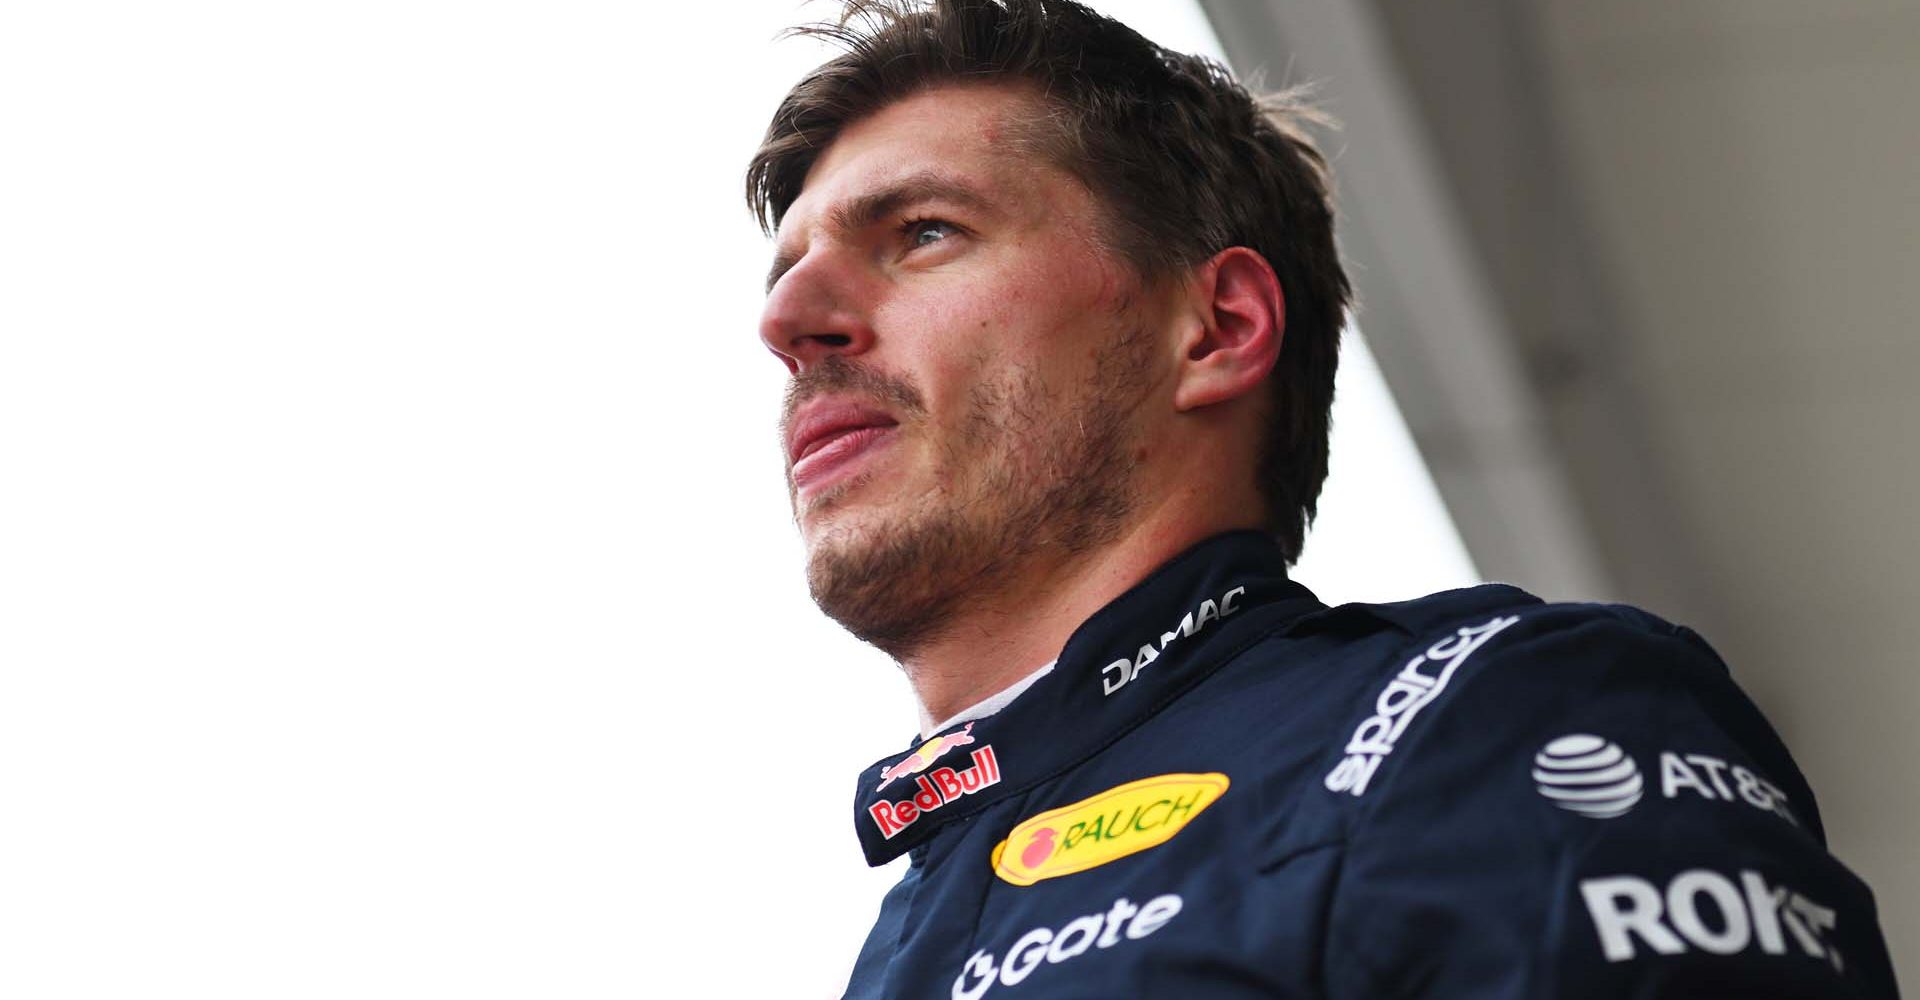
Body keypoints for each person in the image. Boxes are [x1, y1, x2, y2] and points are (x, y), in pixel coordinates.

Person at [746, 2, 1900, 997]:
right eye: (788, 272)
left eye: (925, 233)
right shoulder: (902, 930)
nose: (787, 323)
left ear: (1219, 328)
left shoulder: (1485, 717)